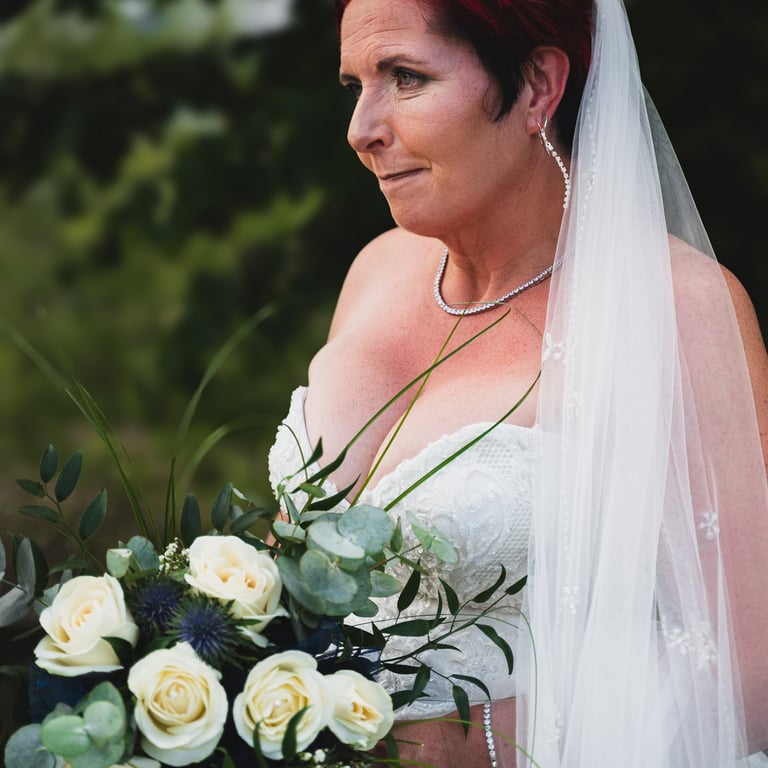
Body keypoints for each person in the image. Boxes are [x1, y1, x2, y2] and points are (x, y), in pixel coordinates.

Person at [268, 0, 768, 765]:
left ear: (538, 86)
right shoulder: (376, 270)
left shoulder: (674, 310)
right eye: (355, 85)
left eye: (405, 77)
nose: (361, 129)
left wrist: (447, 747)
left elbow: (743, 683)